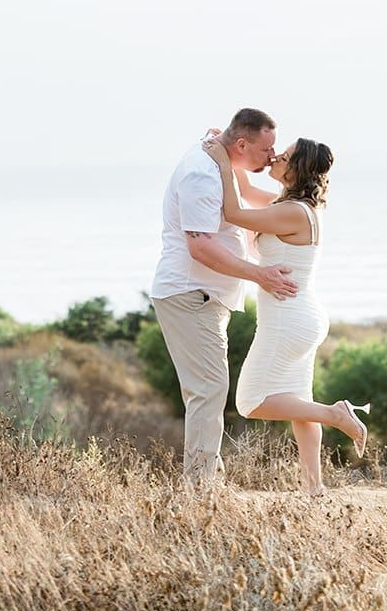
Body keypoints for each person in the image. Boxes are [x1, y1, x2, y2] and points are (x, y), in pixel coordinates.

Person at [202, 131, 369, 497]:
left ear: (297, 168)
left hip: (286, 321)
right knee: (300, 405)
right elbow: (243, 190)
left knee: (250, 402)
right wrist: (229, 148)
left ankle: (337, 413)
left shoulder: (291, 212)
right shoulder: (295, 207)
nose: (276, 156)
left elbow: (233, 212)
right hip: (302, 317)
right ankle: (315, 489)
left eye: (285, 155)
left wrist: (217, 160)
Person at [150, 108, 299, 492]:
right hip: (190, 295)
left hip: (205, 298)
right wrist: (259, 274)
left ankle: (206, 482)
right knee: (209, 390)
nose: (272, 156)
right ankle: (200, 490)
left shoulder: (222, 165)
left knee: (209, 390)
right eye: (267, 148)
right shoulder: (203, 172)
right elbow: (199, 246)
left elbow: (246, 204)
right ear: (242, 144)